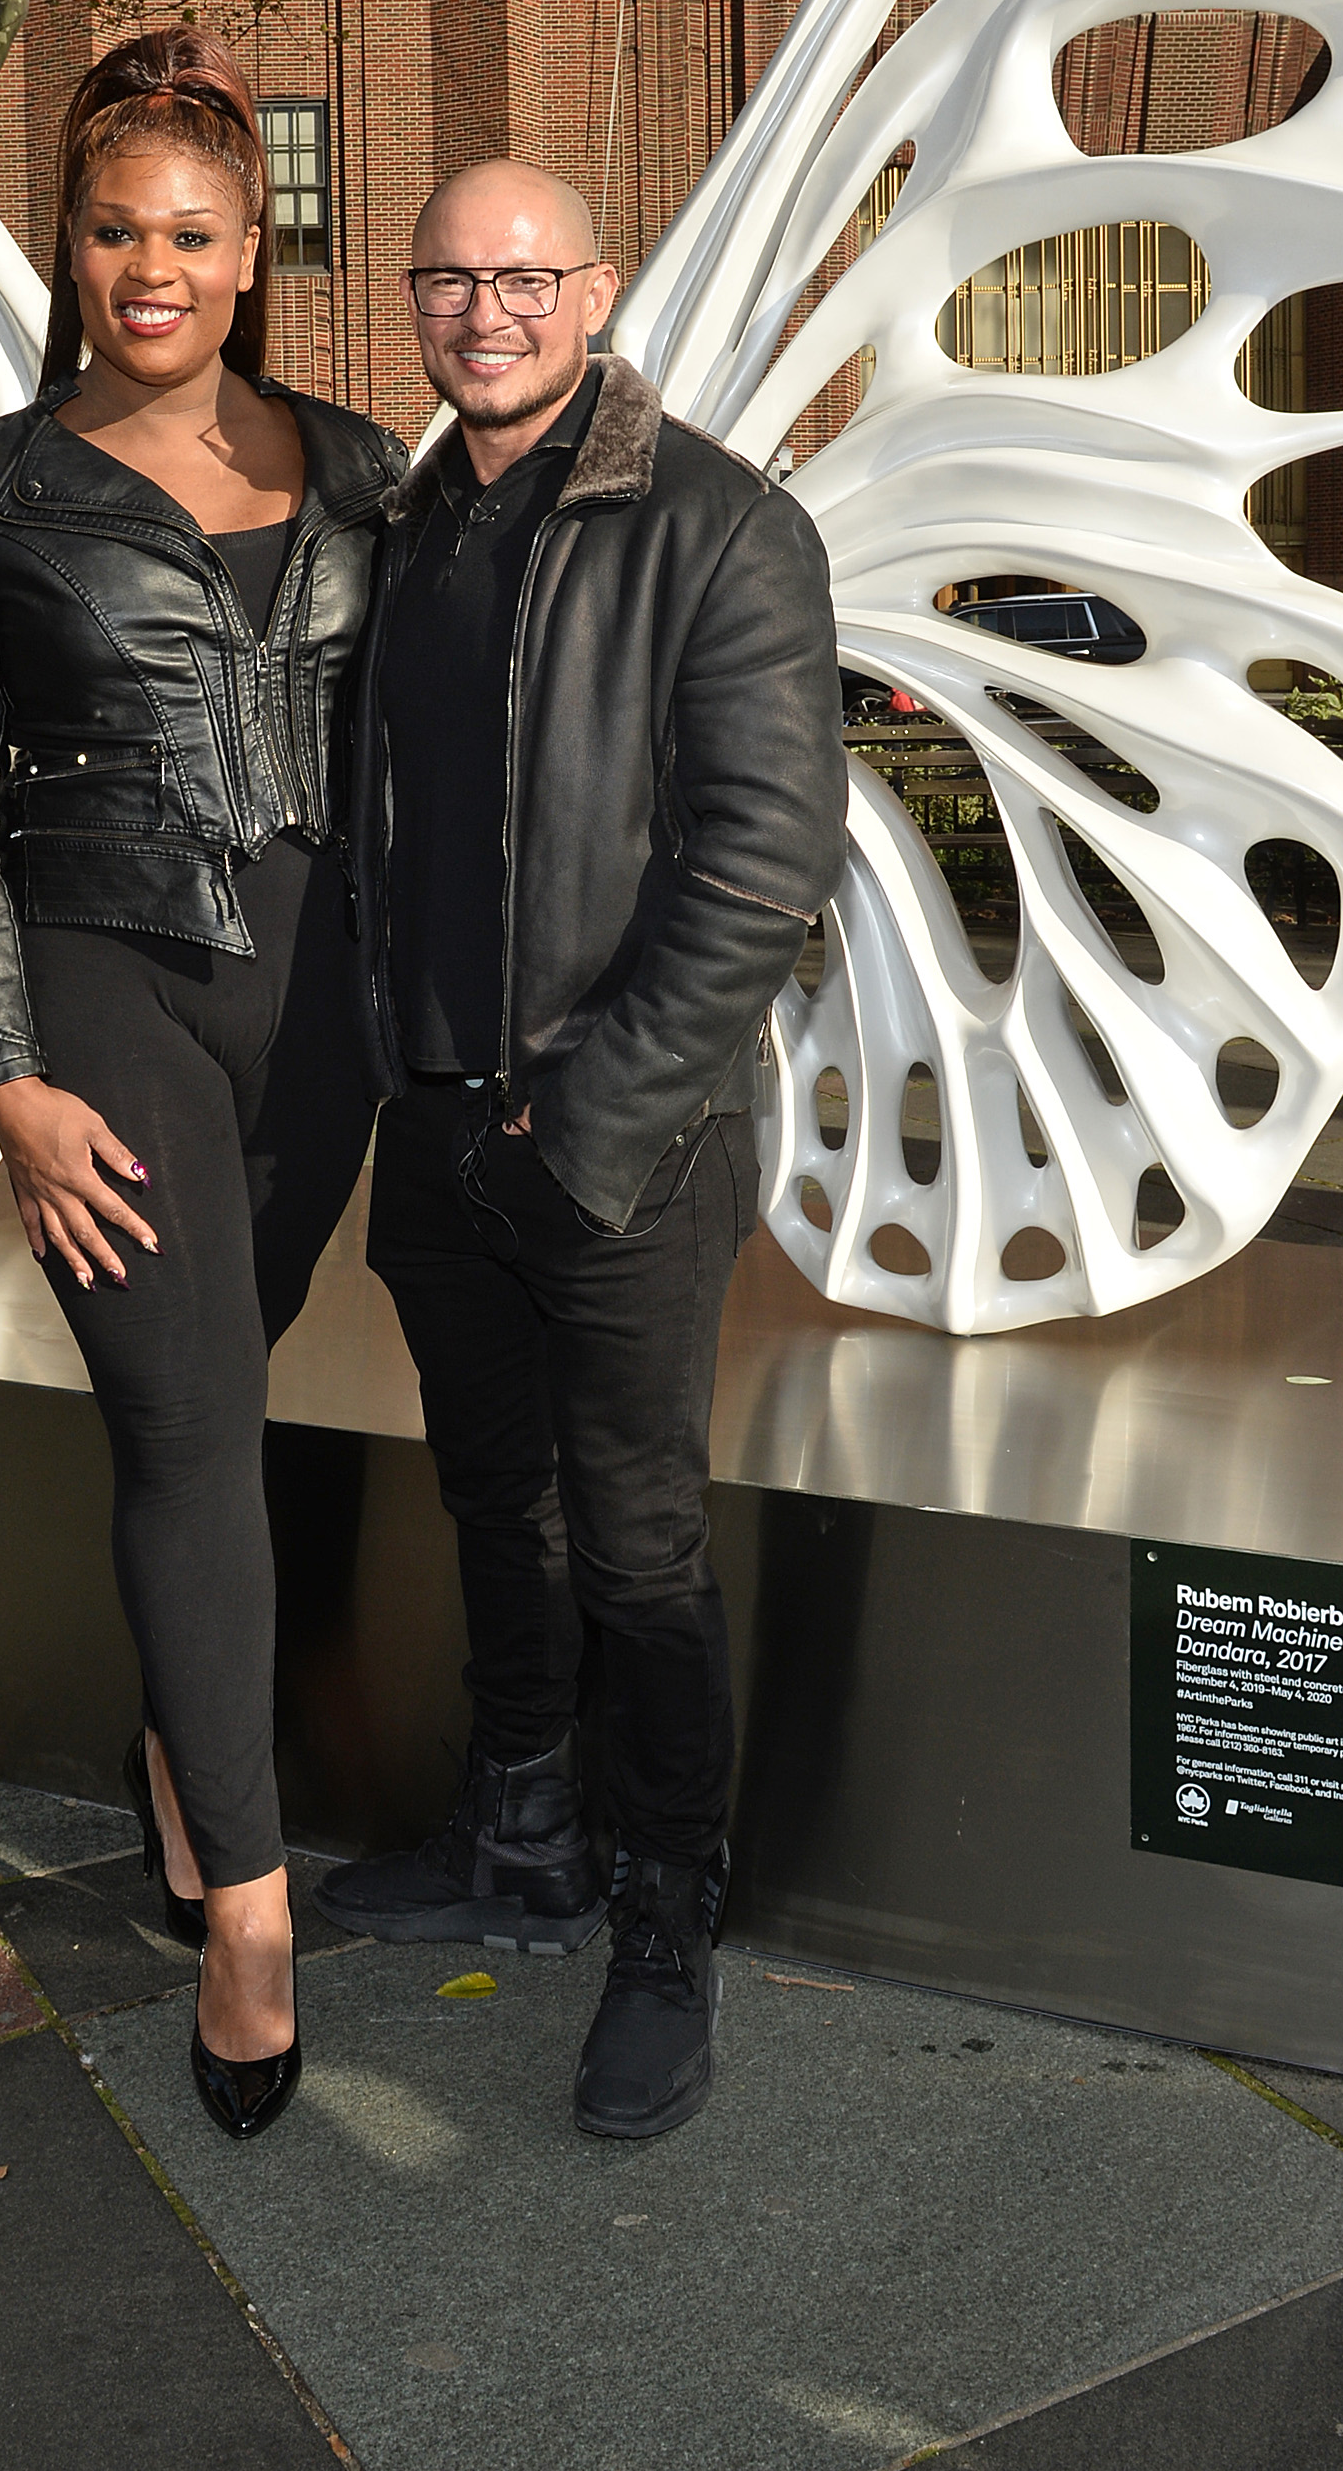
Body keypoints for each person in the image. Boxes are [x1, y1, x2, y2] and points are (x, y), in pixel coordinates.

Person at [0, 27, 403, 2144]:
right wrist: (2, 1073)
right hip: (108, 987)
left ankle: (189, 1751)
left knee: (229, 1371)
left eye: (190, 232)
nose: (150, 268)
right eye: (114, 232)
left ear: (249, 246)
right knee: (187, 1425)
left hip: (330, 1014)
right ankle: (253, 1919)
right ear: (69, 245)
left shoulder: (368, 466)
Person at [316, 161, 847, 2142]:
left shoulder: (716, 525)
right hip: (435, 1128)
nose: (482, 310)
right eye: (445, 276)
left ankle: (659, 1930)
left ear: (596, 290)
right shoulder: (409, 520)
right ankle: (516, 1831)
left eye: (522, 277)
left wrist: (586, 1120)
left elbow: (760, 867)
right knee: (493, 1512)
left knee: (634, 1550)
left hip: (619, 1146)